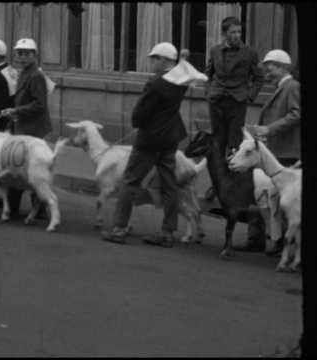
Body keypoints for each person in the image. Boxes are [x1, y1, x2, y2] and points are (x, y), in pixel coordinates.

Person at [101, 42, 194, 247]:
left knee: (130, 181)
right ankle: (168, 232)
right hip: (170, 138)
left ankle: (119, 229)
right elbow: (183, 71)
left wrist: (137, 124)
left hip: (149, 139)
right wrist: (183, 60)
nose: (151, 62)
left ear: (163, 60)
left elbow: (141, 112)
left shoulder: (155, 83)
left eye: (154, 58)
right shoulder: (182, 80)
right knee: (169, 185)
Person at [205, 16, 266, 252]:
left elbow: (258, 76)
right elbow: (208, 72)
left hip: (238, 101)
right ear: (224, 33)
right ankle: (216, 183)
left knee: (234, 143)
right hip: (217, 100)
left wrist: (250, 95)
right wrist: (208, 91)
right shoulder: (215, 49)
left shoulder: (249, 53)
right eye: (232, 32)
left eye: (239, 32)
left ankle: (233, 186)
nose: (236, 36)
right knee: (216, 144)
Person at [253, 49, 301, 256]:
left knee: (281, 201)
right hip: (278, 150)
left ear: (283, 67)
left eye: (270, 66)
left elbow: (296, 114)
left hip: (286, 152)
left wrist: (269, 129)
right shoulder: (282, 87)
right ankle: (276, 241)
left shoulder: (291, 86)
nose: (266, 70)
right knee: (270, 197)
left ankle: (281, 243)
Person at [0, 38, 53, 219]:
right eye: (19, 53)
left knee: (19, 167)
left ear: (34, 55)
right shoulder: (24, 72)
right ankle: (39, 208)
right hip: (24, 125)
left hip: (32, 129)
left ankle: (14, 208)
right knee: (25, 167)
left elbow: (40, 105)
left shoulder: (36, 75)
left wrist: (16, 110)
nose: (21, 57)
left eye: (26, 53)